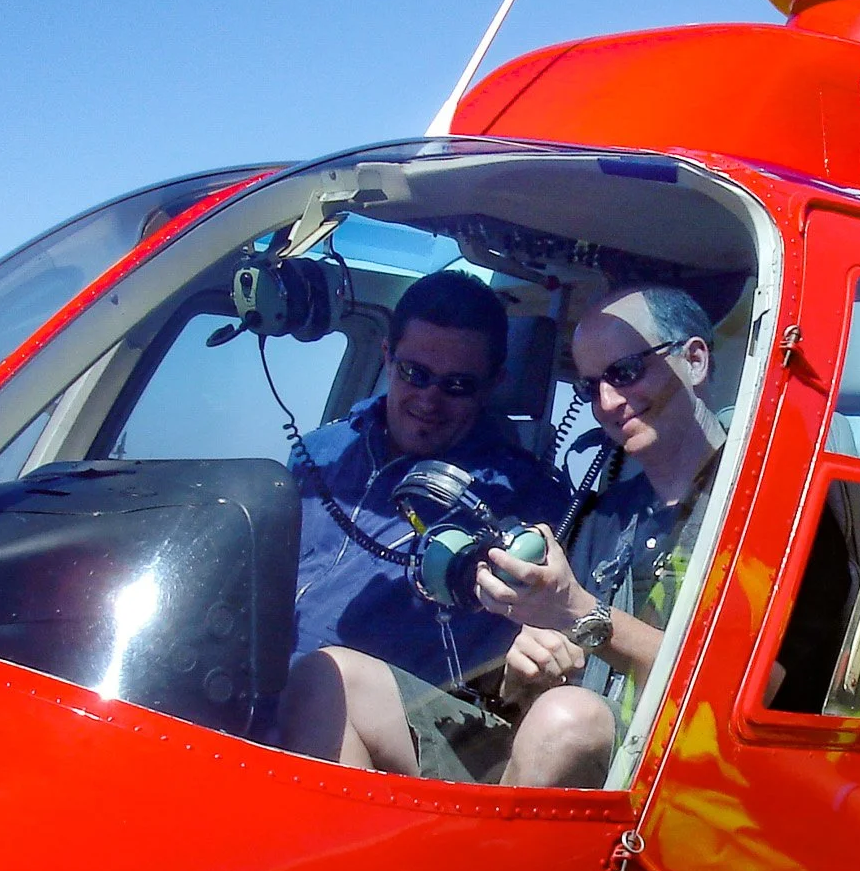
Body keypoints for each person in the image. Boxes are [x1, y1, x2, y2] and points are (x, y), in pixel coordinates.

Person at [285, 284, 725, 787]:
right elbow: (533, 678)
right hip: (526, 737)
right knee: (328, 679)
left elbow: (754, 691)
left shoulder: (771, 501)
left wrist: (579, 617)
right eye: (590, 386)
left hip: (658, 776)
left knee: (568, 720)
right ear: (388, 359)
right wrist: (527, 666)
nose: (607, 402)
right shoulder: (600, 518)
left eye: (625, 372)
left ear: (693, 361)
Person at [282, 269, 570, 696]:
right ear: (387, 357)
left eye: (457, 385)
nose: (429, 399)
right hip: (249, 688)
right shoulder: (322, 451)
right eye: (415, 374)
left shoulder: (526, 502)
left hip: (376, 723)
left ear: (494, 384)